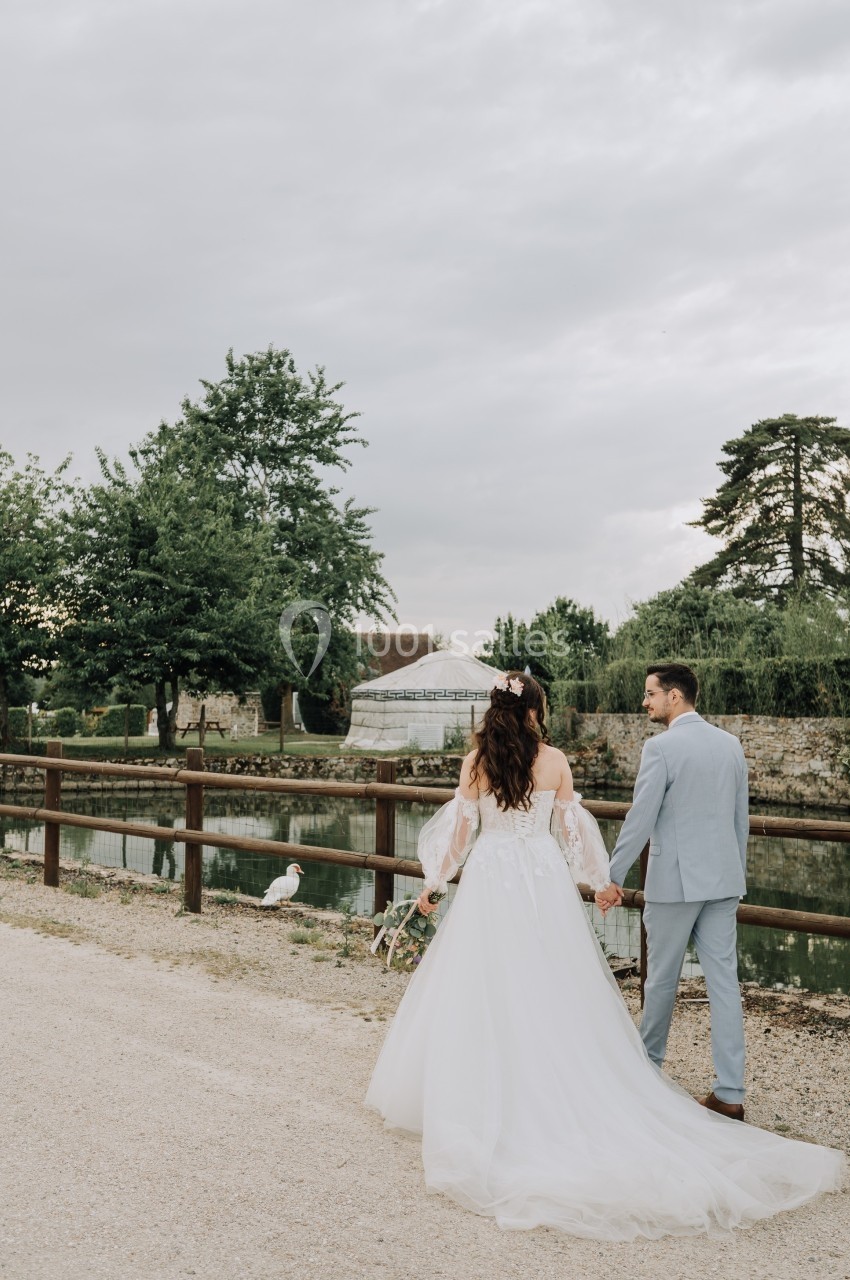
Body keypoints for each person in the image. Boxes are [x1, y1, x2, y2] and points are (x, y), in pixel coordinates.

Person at [365, 670, 845, 1240]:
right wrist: (599, 883)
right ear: (536, 712)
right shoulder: (557, 761)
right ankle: (702, 1088)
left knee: (484, 981)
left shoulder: (476, 763)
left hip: (493, 879)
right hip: (550, 881)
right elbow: (575, 832)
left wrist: (435, 883)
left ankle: (494, 1088)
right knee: (558, 981)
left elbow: (458, 834)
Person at [596, 663, 748, 1119]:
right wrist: (735, 875)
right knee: (724, 985)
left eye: (650, 694)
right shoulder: (731, 745)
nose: (645, 702)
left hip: (676, 883)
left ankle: (647, 1073)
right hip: (723, 881)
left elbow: (640, 818)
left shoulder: (660, 748)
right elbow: (740, 819)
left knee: (660, 981)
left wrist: (612, 876)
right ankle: (730, 1094)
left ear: (675, 696)